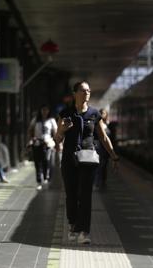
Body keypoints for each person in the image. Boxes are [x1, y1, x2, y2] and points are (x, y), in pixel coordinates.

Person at [54, 81, 119, 244]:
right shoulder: (65, 113)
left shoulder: (94, 114)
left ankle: (84, 232)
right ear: (74, 93)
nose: (87, 94)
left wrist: (113, 156)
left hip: (88, 158)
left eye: (89, 91)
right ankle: (72, 224)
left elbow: (104, 137)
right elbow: (57, 139)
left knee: (85, 195)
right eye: (83, 91)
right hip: (69, 159)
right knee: (71, 194)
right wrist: (62, 130)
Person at [28, 105, 57, 190]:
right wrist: (31, 138)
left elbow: (55, 132)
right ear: (40, 111)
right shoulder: (36, 120)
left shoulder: (51, 120)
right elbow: (30, 129)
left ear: (48, 111)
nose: (44, 111)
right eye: (43, 110)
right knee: (37, 162)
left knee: (46, 160)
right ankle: (39, 180)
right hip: (37, 142)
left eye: (46, 110)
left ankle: (46, 177)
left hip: (47, 143)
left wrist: (55, 142)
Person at [94, 108, 111, 189]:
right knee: (99, 166)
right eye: (101, 113)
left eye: (104, 113)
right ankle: (98, 182)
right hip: (99, 148)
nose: (102, 115)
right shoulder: (96, 124)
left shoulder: (108, 124)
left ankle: (103, 182)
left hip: (106, 150)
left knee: (104, 166)